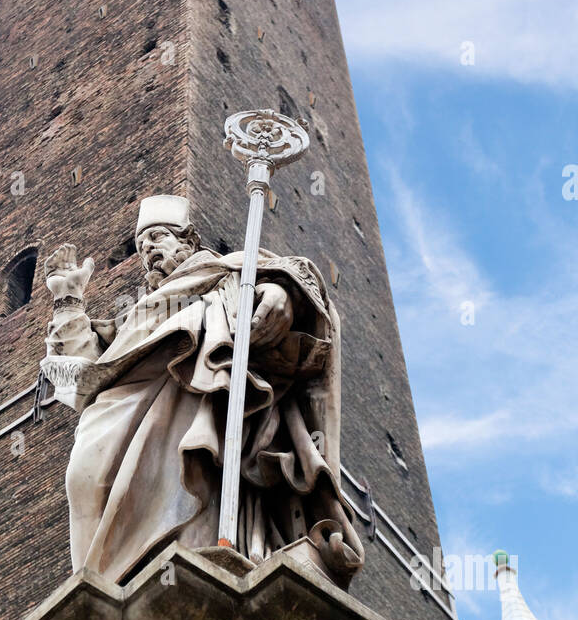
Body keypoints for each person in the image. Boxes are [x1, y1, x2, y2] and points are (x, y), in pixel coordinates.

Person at [42, 194, 364, 587]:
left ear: (189, 239)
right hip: (113, 415)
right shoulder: (136, 314)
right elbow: (79, 376)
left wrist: (283, 293)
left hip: (188, 406)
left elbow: (301, 286)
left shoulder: (227, 274)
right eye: (142, 248)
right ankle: (99, 585)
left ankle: (188, 556)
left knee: (184, 479)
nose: (149, 253)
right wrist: (69, 301)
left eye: (158, 239)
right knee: (84, 477)